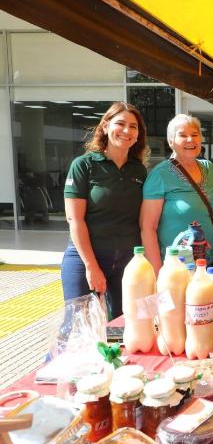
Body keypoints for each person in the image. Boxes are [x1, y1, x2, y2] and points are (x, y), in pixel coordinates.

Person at [61, 102, 148, 319]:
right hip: (85, 259)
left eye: (133, 126)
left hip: (127, 262)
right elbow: (74, 220)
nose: (127, 130)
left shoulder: (139, 171)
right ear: (106, 126)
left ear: (138, 134)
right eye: (120, 124)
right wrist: (91, 267)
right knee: (78, 327)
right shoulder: (83, 165)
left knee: (124, 327)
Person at [140, 114, 213, 274]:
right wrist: (158, 273)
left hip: (210, 266)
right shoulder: (160, 175)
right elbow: (148, 228)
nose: (190, 140)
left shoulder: (210, 168)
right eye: (182, 135)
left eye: (195, 134)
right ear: (171, 141)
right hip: (176, 269)